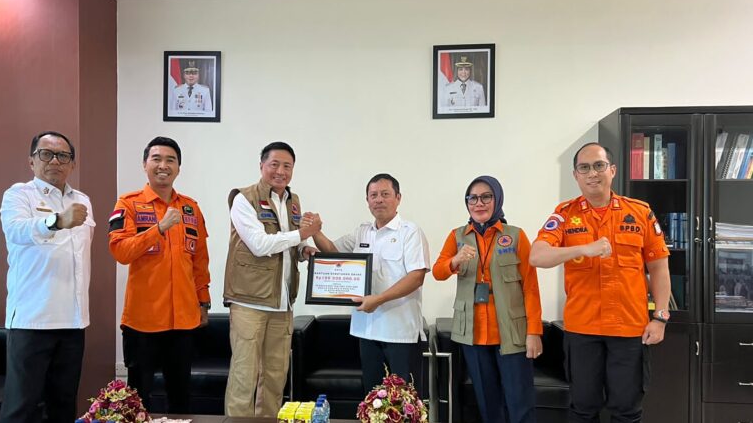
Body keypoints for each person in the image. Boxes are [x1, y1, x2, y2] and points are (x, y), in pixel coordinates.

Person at [529, 142, 671, 423]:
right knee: (583, 409)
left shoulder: (639, 212)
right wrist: (583, 249)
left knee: (627, 410)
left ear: (612, 170)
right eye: (584, 168)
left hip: (629, 329)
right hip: (583, 330)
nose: (592, 173)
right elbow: (537, 256)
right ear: (576, 175)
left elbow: (658, 267)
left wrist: (660, 317)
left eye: (599, 165)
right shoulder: (565, 214)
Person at [108, 136, 211, 413]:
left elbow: (200, 262)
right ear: (145, 164)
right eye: (156, 159)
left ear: (178, 168)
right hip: (143, 322)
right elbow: (121, 252)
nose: (163, 165)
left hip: (183, 320)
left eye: (170, 160)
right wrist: (159, 229)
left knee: (180, 397)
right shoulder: (128, 204)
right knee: (137, 399)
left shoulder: (190, 207)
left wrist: (203, 303)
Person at [0, 131, 94, 423]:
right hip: (33, 319)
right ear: (32, 161)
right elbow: (16, 230)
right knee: (21, 408)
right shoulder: (19, 195)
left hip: (73, 320)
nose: (55, 161)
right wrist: (56, 221)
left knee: (63, 406)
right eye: (46, 154)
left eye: (63, 156)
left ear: (72, 164)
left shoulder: (82, 200)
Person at [432, 175, 542, 423]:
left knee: (520, 403)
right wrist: (455, 260)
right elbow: (438, 272)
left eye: (486, 197)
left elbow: (531, 287)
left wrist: (534, 332)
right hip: (474, 333)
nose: (479, 203)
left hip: (512, 332)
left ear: (497, 199)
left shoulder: (515, 236)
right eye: (472, 198)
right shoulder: (457, 236)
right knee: (487, 404)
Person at [223, 141, 321, 417]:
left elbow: (287, 244)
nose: (281, 171)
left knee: (276, 378)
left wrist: (303, 250)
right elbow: (259, 244)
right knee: (244, 376)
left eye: (287, 166)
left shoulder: (293, 201)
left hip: (282, 303)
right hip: (249, 302)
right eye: (274, 164)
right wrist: (302, 235)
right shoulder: (243, 198)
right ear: (261, 166)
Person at [310, 173, 430, 393]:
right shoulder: (362, 232)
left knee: (405, 400)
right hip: (366, 330)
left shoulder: (410, 232)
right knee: (372, 398)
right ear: (367, 201)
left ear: (398, 198)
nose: (379, 199)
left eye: (385, 194)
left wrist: (380, 299)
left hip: (400, 332)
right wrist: (314, 231)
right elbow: (333, 252)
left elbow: (416, 276)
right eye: (373, 195)